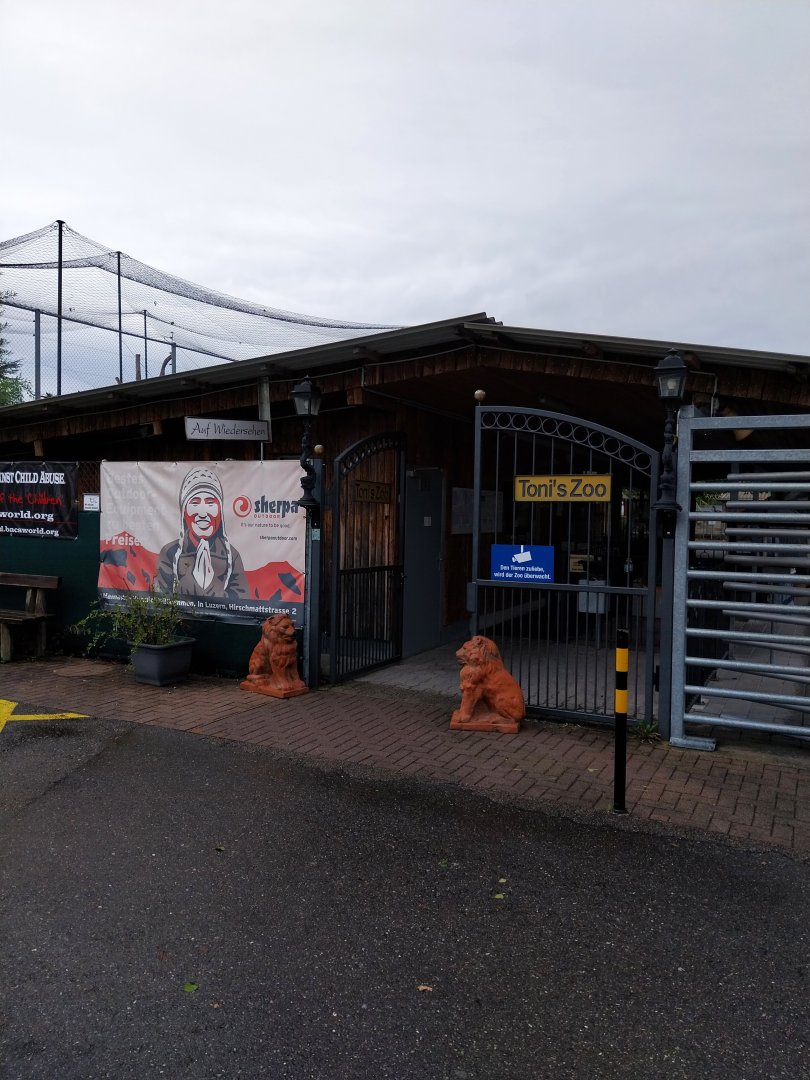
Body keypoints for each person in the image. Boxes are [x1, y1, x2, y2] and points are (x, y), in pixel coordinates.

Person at [154, 466, 250, 599]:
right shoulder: (170, 552)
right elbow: (162, 598)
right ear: (184, 512)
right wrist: (192, 581)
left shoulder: (231, 556)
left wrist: (210, 586)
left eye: (210, 503)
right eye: (195, 503)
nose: (203, 514)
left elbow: (241, 604)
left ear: (220, 512)